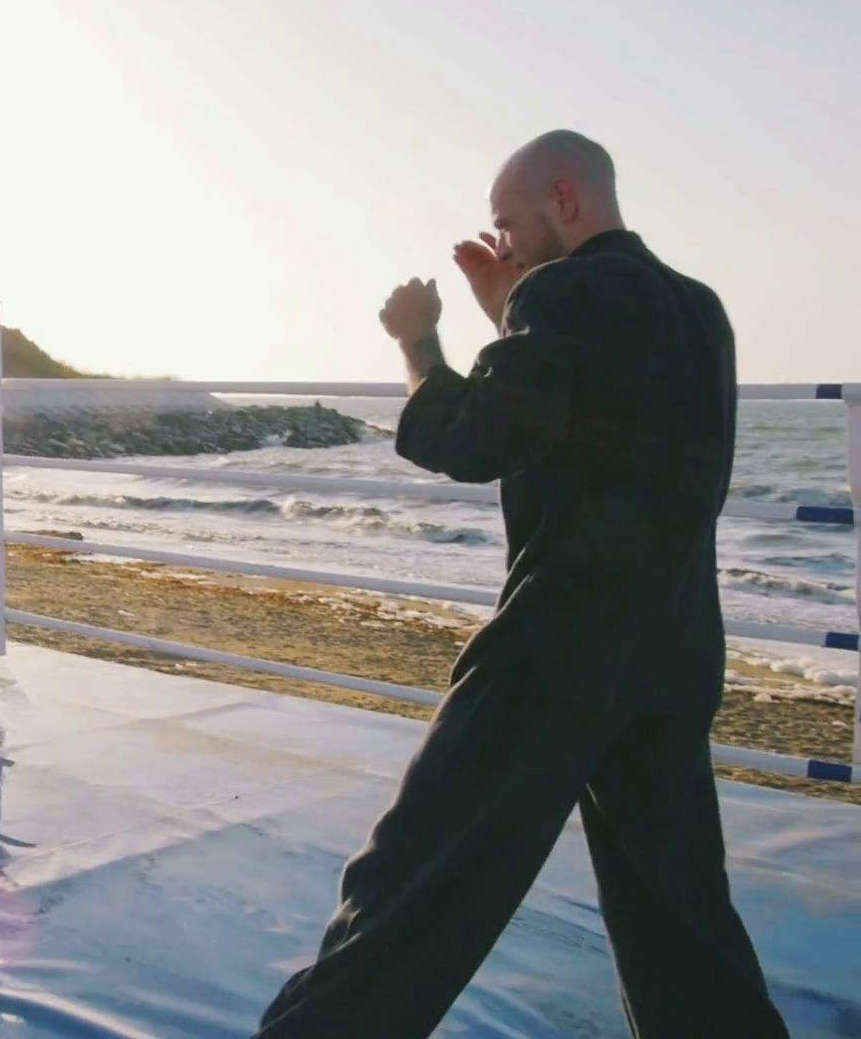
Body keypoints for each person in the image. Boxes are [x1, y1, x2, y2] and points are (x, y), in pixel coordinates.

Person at [255, 131, 789, 1037]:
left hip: (557, 650)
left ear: (565, 199)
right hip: (676, 652)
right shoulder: (701, 309)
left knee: (410, 885)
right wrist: (512, 314)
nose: (501, 241)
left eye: (507, 222)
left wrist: (419, 341)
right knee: (679, 921)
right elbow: (602, 418)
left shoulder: (564, 292)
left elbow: (474, 439)